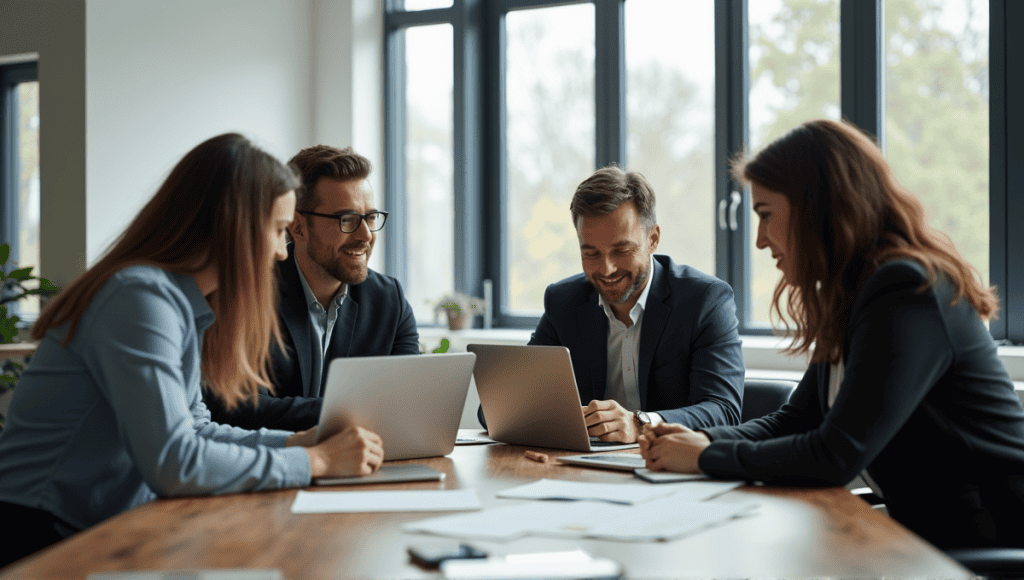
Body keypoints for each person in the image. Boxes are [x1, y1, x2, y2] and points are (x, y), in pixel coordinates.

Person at [0, 134, 384, 567]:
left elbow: (197, 428)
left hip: (98, 525)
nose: (281, 253)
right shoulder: (138, 299)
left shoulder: (178, 303)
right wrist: (312, 461)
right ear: (232, 228)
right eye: (278, 231)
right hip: (40, 535)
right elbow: (174, 462)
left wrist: (296, 441)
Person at [639, 119, 1024, 549]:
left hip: (988, 539)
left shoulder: (903, 290)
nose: (760, 241)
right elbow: (798, 419)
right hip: (925, 536)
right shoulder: (854, 292)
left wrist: (706, 456)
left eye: (765, 215)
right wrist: (701, 439)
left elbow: (836, 454)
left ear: (816, 208)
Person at [479, 166, 745, 443]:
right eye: (591, 253)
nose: (606, 269)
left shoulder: (705, 300)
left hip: (671, 465)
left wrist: (640, 423)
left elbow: (723, 410)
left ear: (652, 239)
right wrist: (555, 417)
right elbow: (495, 410)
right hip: (586, 470)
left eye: (621, 250)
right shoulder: (564, 303)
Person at [203, 145, 419, 432]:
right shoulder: (246, 293)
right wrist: (353, 411)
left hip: (367, 464)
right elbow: (236, 407)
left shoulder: (389, 299)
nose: (366, 235)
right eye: (347, 220)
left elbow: (412, 400)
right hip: (275, 467)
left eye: (370, 217)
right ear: (298, 227)